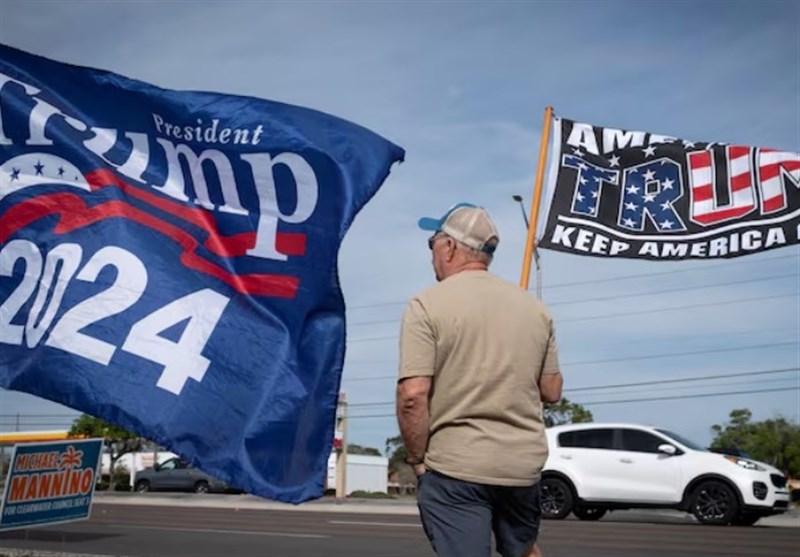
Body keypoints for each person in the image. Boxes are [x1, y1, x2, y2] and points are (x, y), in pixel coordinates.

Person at [396, 202, 563, 557]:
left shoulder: (426, 305)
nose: (432, 256)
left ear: (451, 247)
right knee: (522, 550)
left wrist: (418, 461)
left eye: (433, 245)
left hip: (457, 468)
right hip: (521, 469)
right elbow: (552, 390)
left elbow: (413, 395)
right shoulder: (535, 309)